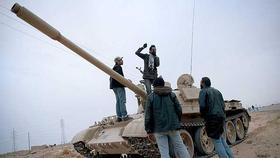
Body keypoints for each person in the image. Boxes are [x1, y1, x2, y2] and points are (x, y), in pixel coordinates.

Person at [144, 77, 190, 158]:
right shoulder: (171, 94)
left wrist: (148, 130)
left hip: (158, 129)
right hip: (172, 126)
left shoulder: (151, 97)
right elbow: (179, 109)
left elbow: (148, 115)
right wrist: (176, 121)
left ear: (154, 86)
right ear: (163, 84)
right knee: (180, 147)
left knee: (164, 152)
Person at [199, 77, 234, 158]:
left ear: (203, 83)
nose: (200, 83)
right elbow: (223, 105)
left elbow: (202, 106)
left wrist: (204, 117)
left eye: (201, 82)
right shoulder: (217, 91)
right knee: (221, 140)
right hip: (221, 117)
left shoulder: (203, 91)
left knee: (217, 142)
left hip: (211, 118)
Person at [110, 57, 129, 122]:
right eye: (121, 60)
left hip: (114, 87)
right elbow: (120, 78)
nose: (122, 61)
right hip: (119, 86)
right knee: (122, 101)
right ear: (117, 61)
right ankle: (125, 116)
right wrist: (126, 83)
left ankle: (119, 117)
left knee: (118, 101)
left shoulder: (114, 68)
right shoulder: (118, 67)